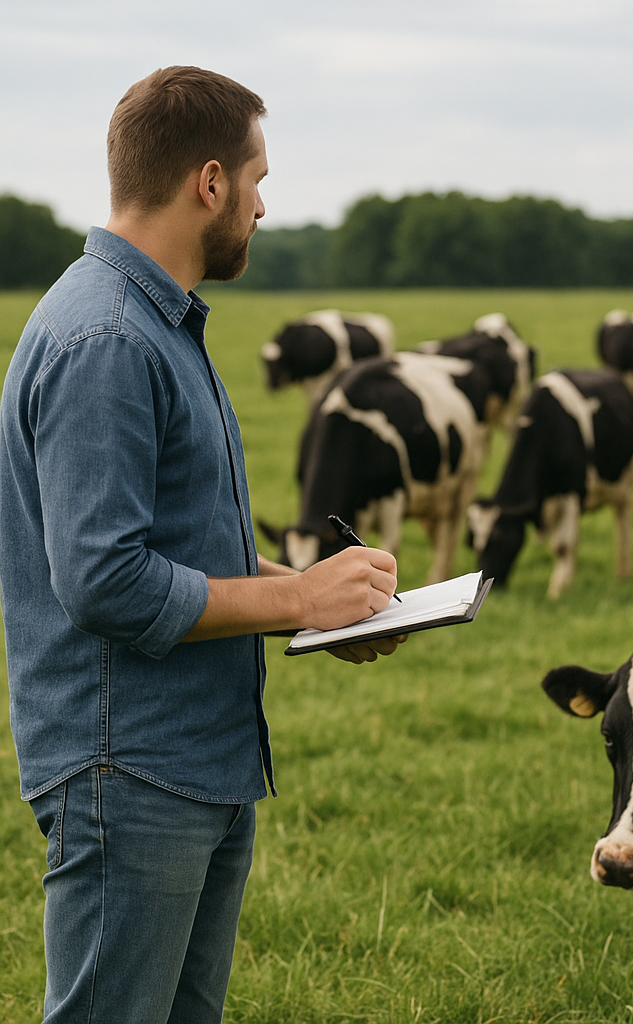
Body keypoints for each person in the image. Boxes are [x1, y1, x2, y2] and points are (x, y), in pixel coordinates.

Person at [0, 66, 402, 1023]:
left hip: (193, 760)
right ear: (209, 182)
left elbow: (180, 546)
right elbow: (105, 580)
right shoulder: (106, 336)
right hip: (128, 768)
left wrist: (316, 597)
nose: (263, 207)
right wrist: (299, 603)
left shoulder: (156, 321)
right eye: (258, 182)